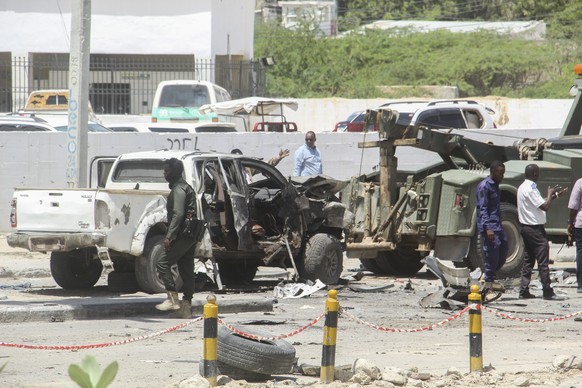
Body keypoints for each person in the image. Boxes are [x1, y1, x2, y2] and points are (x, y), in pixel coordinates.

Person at [517, 164, 568, 300]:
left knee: (529, 260)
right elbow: (545, 206)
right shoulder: (531, 188)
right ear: (534, 173)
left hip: (526, 228)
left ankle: (523, 291)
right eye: (538, 173)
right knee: (543, 261)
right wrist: (550, 194)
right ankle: (547, 291)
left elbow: (539, 204)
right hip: (535, 229)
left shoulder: (523, 187)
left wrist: (555, 195)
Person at [155, 157, 198, 317]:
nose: (164, 174)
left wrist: (169, 236)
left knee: (162, 263)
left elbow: (178, 213)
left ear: (174, 172)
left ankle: (172, 299)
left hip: (182, 234)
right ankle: (186, 306)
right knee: (186, 270)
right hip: (191, 234)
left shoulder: (179, 189)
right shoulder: (185, 187)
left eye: (167, 171)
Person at [476, 161, 508, 296]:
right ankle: (487, 288)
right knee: (492, 256)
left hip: (498, 226)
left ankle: (488, 277)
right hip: (489, 227)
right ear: (493, 171)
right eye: (500, 173)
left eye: (503, 173)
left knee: (504, 250)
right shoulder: (485, 186)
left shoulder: (496, 186)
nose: (502, 176)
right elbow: (482, 209)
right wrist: (488, 228)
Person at [567, 177, 582, 293]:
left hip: (580, 223)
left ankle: (581, 285)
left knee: (580, 251)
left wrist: (570, 223)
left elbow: (573, 206)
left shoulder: (580, 182)